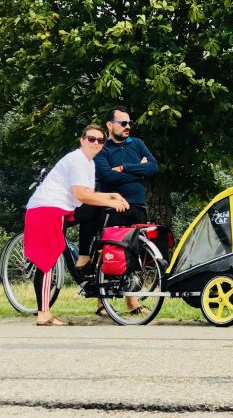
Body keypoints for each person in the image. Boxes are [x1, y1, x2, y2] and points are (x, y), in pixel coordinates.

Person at [23, 125, 130, 325]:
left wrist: (112, 195)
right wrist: (110, 201)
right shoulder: (77, 160)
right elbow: (81, 195)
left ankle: (84, 257)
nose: (96, 143)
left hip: (63, 208)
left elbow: (87, 196)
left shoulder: (89, 163)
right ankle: (43, 314)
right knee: (48, 261)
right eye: (91, 139)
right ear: (82, 140)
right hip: (47, 209)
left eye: (100, 141)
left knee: (96, 211)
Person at [79, 106, 159, 271]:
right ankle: (100, 290)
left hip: (137, 206)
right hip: (112, 207)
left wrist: (123, 168)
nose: (127, 126)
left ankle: (132, 295)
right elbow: (107, 176)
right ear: (110, 125)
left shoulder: (137, 143)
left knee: (135, 257)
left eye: (129, 122)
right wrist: (139, 171)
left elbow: (153, 168)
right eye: (123, 123)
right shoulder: (102, 148)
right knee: (110, 253)